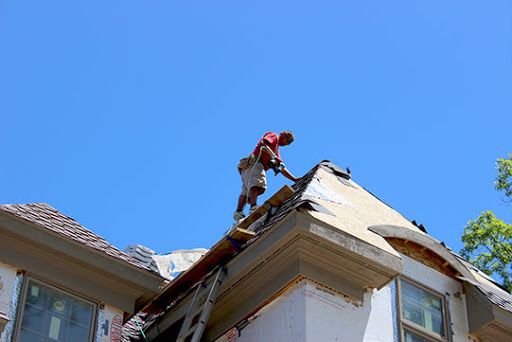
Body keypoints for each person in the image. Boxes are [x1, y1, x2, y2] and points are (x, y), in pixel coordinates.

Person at [234, 131, 300, 221]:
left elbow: (280, 167)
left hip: (247, 168)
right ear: (285, 135)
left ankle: (238, 212)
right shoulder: (274, 137)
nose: (287, 145)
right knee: (258, 186)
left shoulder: (276, 150)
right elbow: (263, 143)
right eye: (288, 142)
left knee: (246, 191)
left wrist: (294, 179)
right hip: (255, 163)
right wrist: (273, 155)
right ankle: (253, 207)